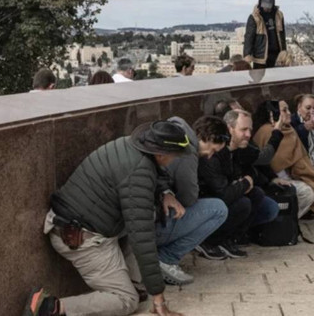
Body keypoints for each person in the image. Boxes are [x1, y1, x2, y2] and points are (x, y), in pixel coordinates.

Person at [23, 121, 193, 316]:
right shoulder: (138, 171)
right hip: (81, 237)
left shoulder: (130, 146)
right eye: (175, 156)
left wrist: (164, 192)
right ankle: (49, 307)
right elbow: (142, 238)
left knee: (148, 217)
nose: (175, 160)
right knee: (127, 300)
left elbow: (155, 174)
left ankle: (134, 285)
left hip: (81, 223)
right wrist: (159, 298)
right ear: (161, 153)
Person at [155, 116, 231, 285]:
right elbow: (188, 197)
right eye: (213, 150)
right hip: (152, 224)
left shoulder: (174, 132)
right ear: (208, 138)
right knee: (218, 209)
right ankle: (166, 258)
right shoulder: (187, 152)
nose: (210, 156)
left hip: (140, 221)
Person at [196, 109, 279, 259]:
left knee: (259, 197)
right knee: (243, 203)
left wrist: (248, 180)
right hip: (209, 200)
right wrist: (244, 183)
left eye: (250, 130)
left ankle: (231, 238)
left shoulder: (241, 147)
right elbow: (222, 193)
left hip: (227, 193)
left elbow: (258, 164)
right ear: (230, 129)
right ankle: (209, 241)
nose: (248, 134)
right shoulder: (213, 152)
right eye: (243, 129)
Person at [252, 100, 314, 218]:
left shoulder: (289, 130)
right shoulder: (266, 131)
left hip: (291, 175)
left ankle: (291, 220)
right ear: (272, 114)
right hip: (272, 179)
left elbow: (300, 157)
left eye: (288, 109)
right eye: (284, 110)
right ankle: (286, 221)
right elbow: (270, 162)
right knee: (307, 193)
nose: (289, 113)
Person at [244, 0, 286, 69]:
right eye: (265, 6)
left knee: (277, 78)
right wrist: (247, 54)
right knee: (260, 79)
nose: (267, 8)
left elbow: (282, 34)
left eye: (269, 6)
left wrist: (284, 51)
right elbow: (249, 36)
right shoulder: (254, 17)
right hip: (260, 56)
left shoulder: (279, 15)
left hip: (277, 54)